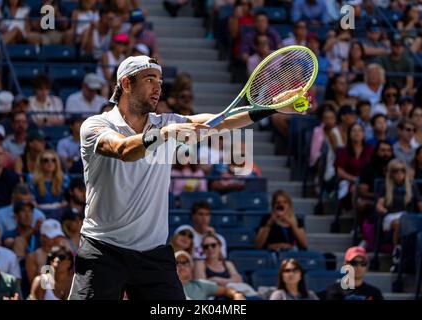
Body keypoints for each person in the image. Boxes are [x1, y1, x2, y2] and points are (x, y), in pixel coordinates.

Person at [68, 55, 300, 300]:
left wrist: (271, 107)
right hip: (103, 250)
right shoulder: (95, 126)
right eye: (149, 79)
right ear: (126, 84)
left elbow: (220, 122)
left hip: (152, 254)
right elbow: (123, 150)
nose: (158, 86)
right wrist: (165, 134)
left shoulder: (169, 122)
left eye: (160, 80)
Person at [375, 159, 422, 271]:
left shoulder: (412, 186)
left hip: (407, 216)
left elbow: (420, 204)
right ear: (391, 173)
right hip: (390, 216)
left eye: (402, 170)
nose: (399, 173)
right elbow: (379, 204)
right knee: (399, 223)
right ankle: (397, 253)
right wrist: (381, 209)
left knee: (407, 221)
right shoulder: (385, 186)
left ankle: (410, 256)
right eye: (396, 170)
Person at [175, 250, 246, 300]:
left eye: (185, 263)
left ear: (191, 267)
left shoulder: (200, 284)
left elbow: (226, 290)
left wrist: (237, 295)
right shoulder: (166, 287)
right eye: (177, 263)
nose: (181, 266)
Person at [335, 123, 374, 209]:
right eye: (354, 131)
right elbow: (340, 171)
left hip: (367, 182)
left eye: (359, 131)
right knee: (354, 188)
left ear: (364, 134)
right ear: (349, 134)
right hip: (349, 181)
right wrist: (355, 179)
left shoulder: (370, 149)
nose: (357, 133)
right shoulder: (343, 151)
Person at [26, 219, 68, 284]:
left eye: (58, 236)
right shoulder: (33, 257)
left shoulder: (67, 254)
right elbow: (33, 283)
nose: (56, 239)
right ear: (42, 237)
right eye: (52, 236)